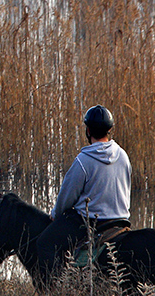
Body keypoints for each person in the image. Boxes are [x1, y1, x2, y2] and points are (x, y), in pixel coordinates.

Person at [34, 105, 132, 282]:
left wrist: (55, 215)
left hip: (91, 223)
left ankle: (57, 291)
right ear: (109, 130)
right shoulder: (123, 156)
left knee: (45, 244)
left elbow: (66, 199)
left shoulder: (83, 161)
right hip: (120, 220)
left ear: (87, 130)